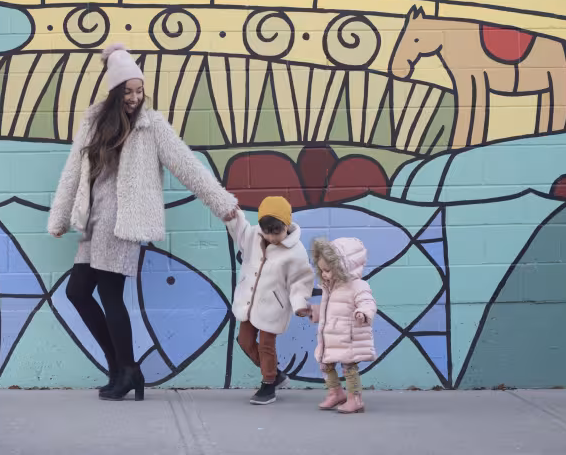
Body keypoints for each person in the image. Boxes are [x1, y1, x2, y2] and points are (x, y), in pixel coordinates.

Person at [48, 43, 238, 401]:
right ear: (115, 91)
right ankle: (122, 366)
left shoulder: (152, 127)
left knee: (109, 294)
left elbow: (187, 166)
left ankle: (127, 369)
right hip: (94, 219)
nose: (135, 98)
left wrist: (222, 204)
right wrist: (60, 217)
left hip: (123, 222)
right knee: (77, 292)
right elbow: (74, 170)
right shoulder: (93, 122)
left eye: (139, 91)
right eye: (128, 92)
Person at [225, 196, 314, 405]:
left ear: (286, 225)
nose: (273, 238)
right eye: (267, 232)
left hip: (274, 306)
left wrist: (300, 304)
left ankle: (268, 384)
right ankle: (276, 374)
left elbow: (300, 280)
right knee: (244, 341)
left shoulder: (296, 251)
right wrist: (233, 217)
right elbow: (240, 231)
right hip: (249, 302)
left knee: (266, 344)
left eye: (277, 232)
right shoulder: (253, 237)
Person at [310, 236, 377, 414]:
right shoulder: (329, 286)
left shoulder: (358, 285)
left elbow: (368, 302)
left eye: (328, 270)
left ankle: (355, 399)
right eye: (322, 270)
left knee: (349, 368)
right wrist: (315, 312)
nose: (324, 274)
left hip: (348, 337)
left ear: (343, 267)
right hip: (331, 337)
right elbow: (331, 309)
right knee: (325, 364)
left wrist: (363, 313)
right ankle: (335, 392)